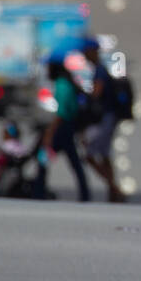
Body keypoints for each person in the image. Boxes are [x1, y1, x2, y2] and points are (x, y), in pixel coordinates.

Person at [80, 37, 126, 203]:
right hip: (107, 118)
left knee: (90, 154)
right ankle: (113, 191)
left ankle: (114, 188)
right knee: (104, 155)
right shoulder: (99, 69)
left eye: (86, 52)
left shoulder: (99, 71)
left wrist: (82, 95)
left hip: (106, 118)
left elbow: (96, 95)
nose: (84, 56)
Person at [41, 55, 90, 201]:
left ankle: (38, 189)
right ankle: (84, 193)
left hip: (63, 128)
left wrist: (50, 132)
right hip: (68, 127)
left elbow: (61, 112)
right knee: (74, 162)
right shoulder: (65, 83)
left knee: (44, 157)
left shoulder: (62, 85)